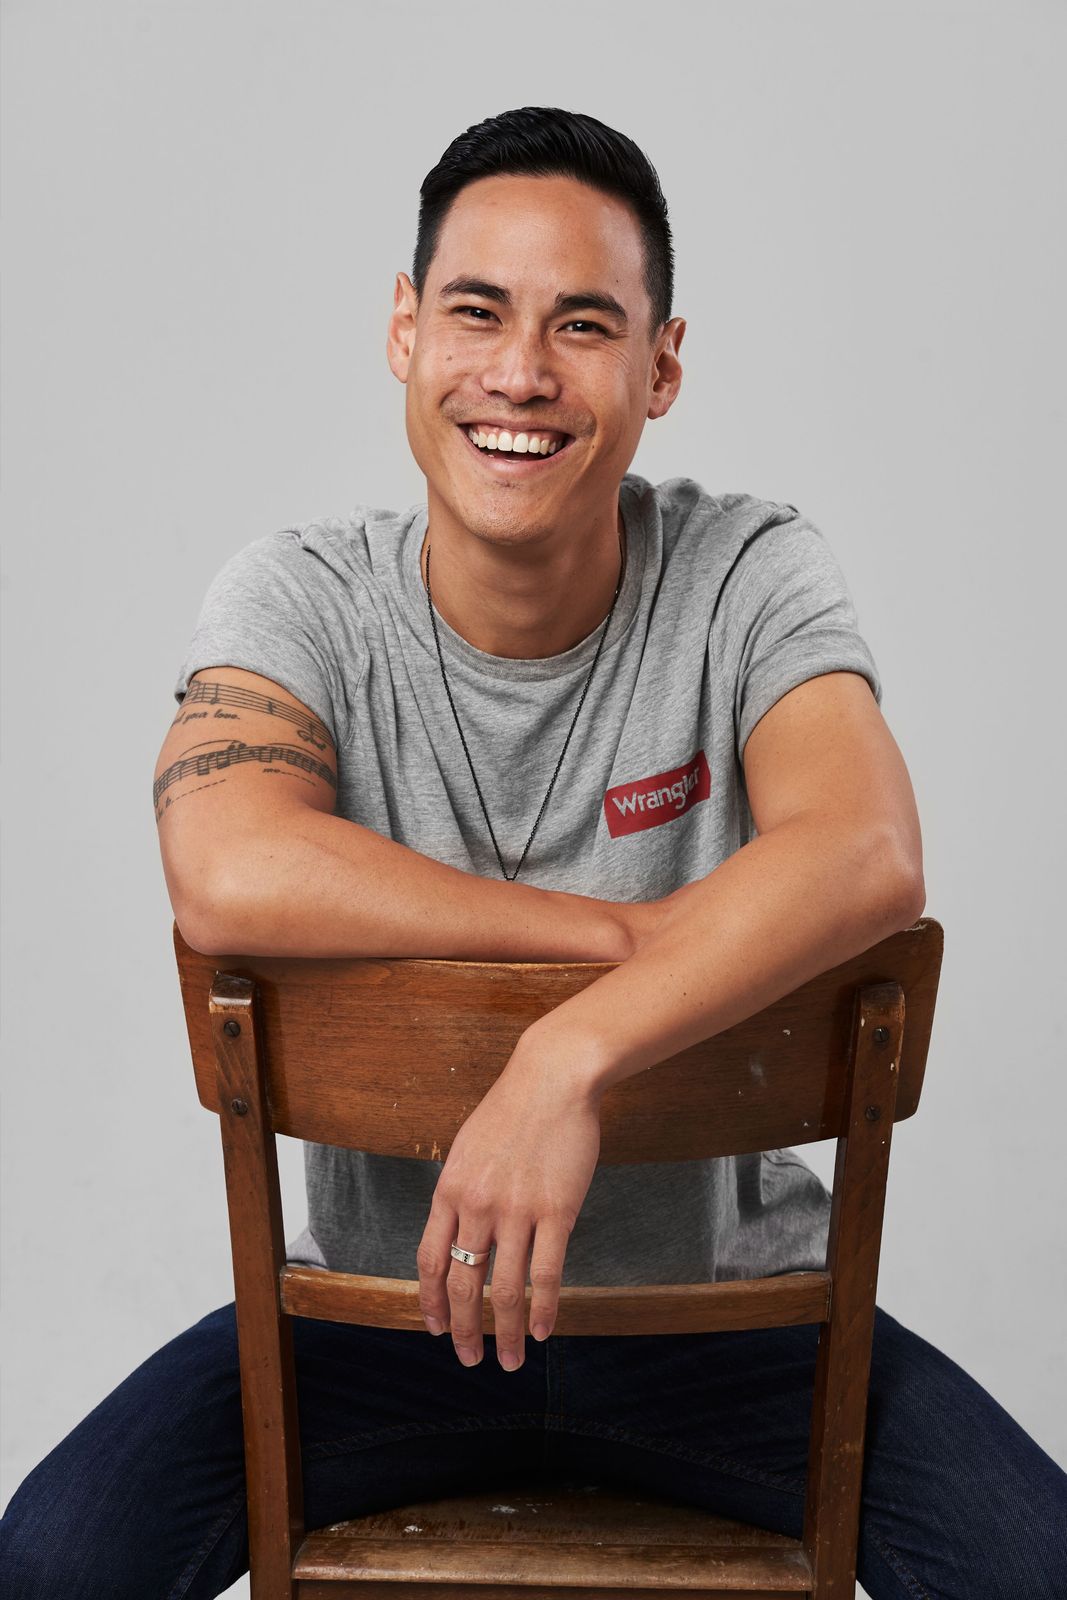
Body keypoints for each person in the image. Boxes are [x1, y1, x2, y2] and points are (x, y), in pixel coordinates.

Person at [1, 105, 1063, 1600]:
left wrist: (565, 1058)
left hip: (729, 1334)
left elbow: (871, 849)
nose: (518, 372)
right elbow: (225, 868)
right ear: (405, 330)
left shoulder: (748, 570)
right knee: (52, 1560)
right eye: (476, 311)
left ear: (661, 366)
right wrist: (621, 938)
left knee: (1035, 1561)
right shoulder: (302, 597)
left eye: (583, 324)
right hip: (376, 1330)